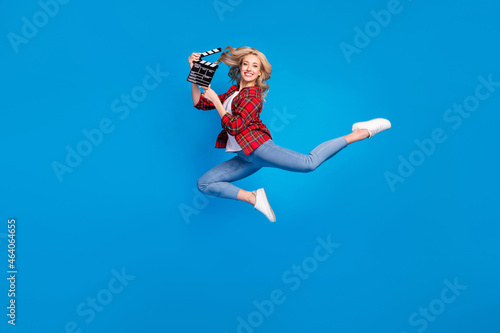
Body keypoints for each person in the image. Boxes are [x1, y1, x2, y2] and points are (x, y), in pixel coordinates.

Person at [188, 46, 391, 222]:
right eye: (246, 64)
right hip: (245, 156)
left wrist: (216, 101)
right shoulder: (233, 93)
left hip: (258, 148)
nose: (249, 69)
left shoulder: (252, 96)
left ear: (260, 73)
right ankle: (253, 198)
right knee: (205, 184)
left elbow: (235, 127)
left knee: (308, 163)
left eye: (255, 66)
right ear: (239, 68)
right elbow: (198, 103)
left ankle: (361, 132)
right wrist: (193, 71)